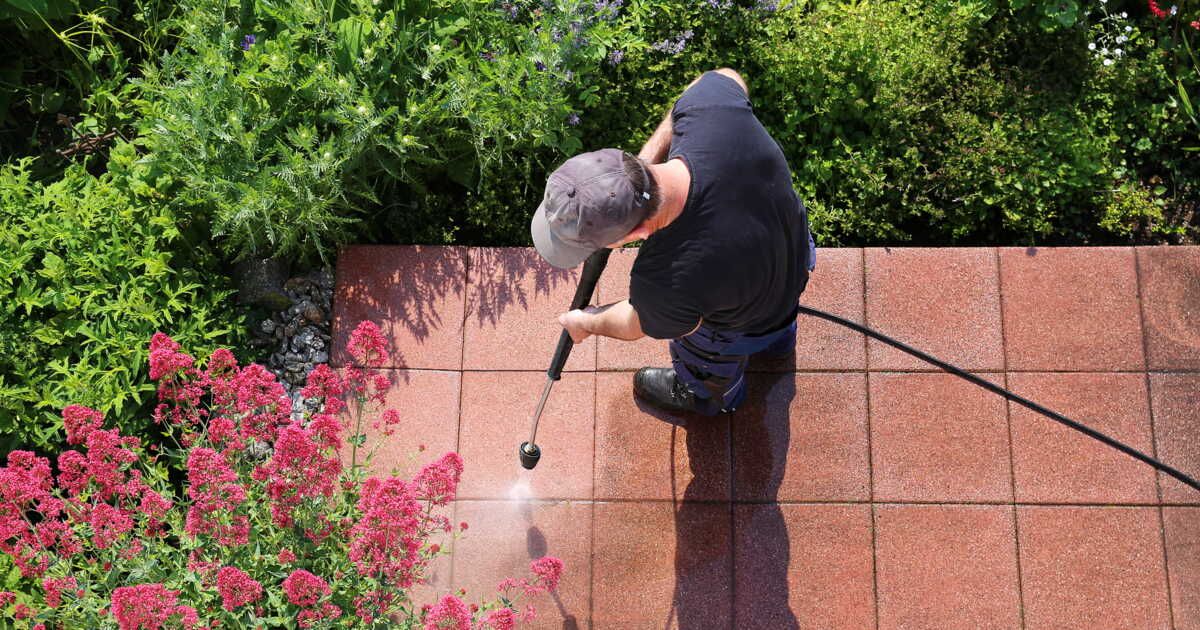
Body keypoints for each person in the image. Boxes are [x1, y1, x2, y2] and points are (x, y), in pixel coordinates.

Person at [529, 68, 815, 415]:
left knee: (706, 350)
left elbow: (636, 323)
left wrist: (585, 323)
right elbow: (723, 76)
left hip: (742, 320)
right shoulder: (710, 109)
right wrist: (644, 165)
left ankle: (708, 396)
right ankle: (779, 342)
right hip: (793, 255)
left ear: (633, 236)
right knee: (775, 319)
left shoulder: (666, 279)